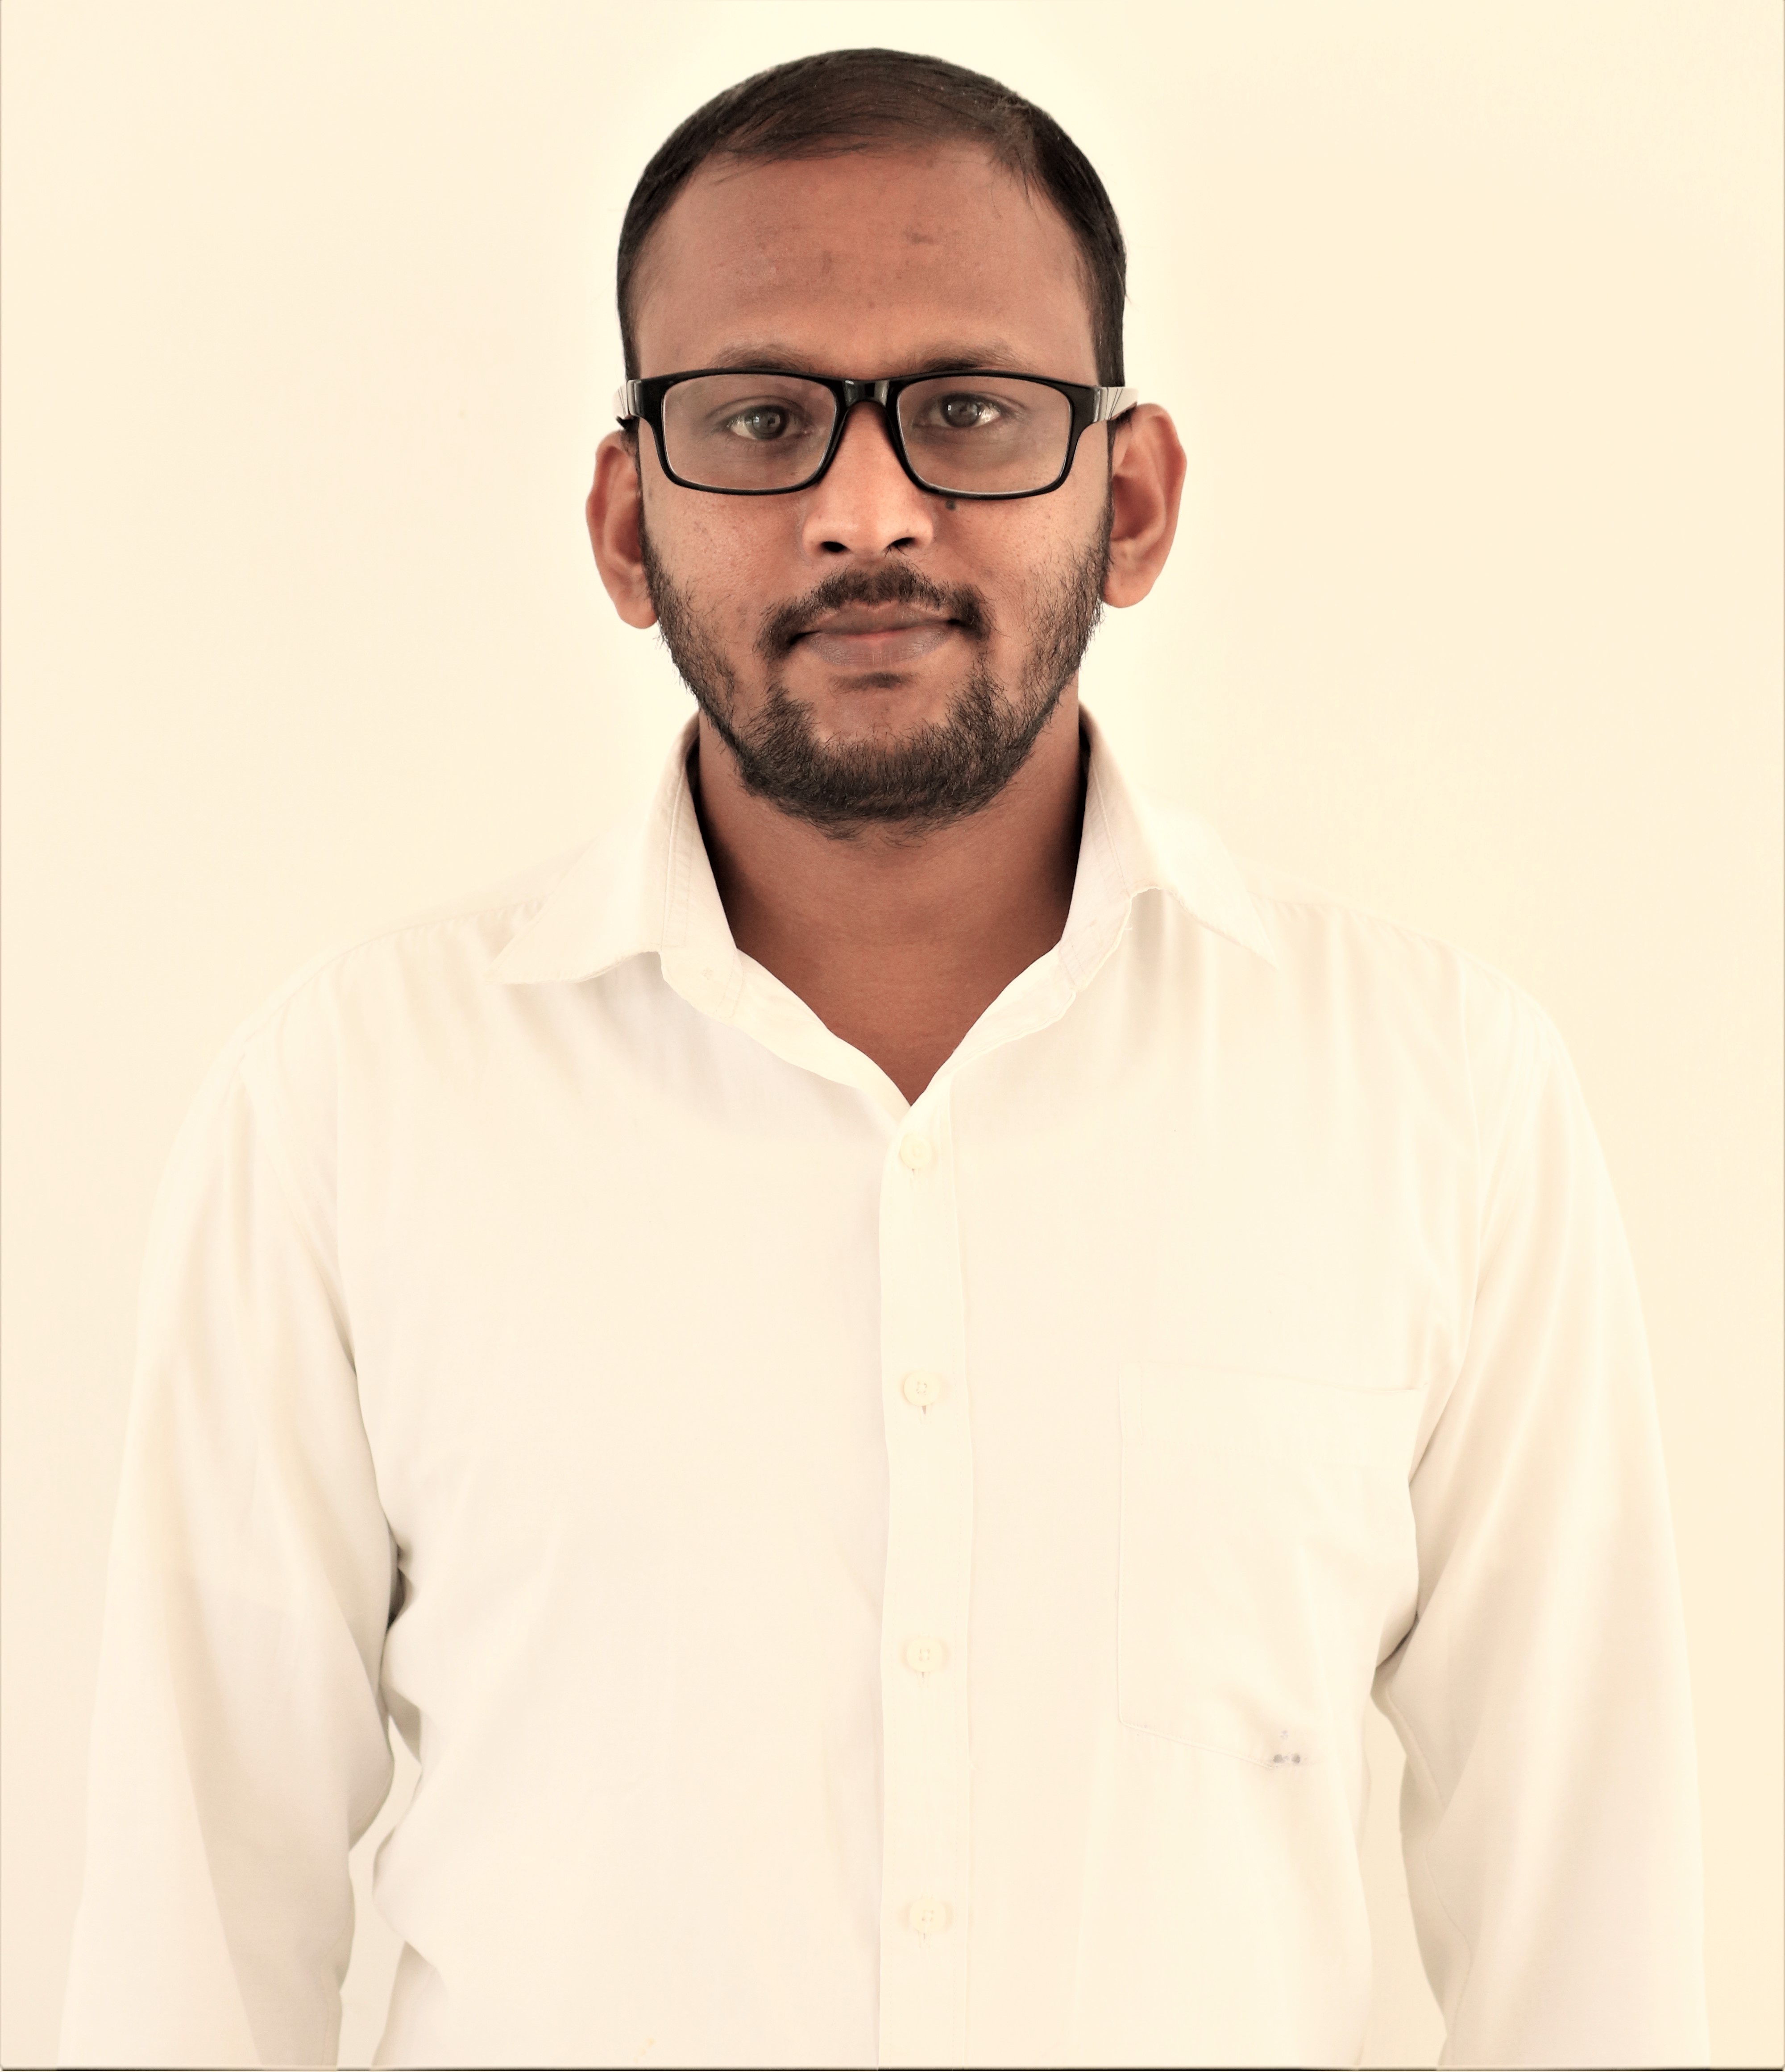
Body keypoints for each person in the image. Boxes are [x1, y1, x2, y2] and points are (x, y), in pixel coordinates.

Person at [60, 47, 1708, 2070]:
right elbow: (193, 1930)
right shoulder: (348, 1103)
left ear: (1131, 499)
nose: (865, 511)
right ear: (624, 521)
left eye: (969, 410)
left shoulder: (1443, 1100)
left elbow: (1586, 1932)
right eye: (758, 419)